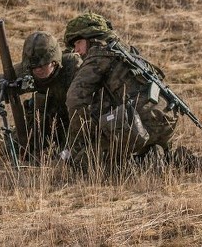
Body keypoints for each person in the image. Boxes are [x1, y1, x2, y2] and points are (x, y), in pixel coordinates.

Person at [62, 12, 185, 170]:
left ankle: (146, 161)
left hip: (140, 125)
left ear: (92, 37)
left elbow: (74, 99)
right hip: (166, 119)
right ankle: (162, 156)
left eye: (78, 42)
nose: (77, 50)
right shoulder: (127, 51)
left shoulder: (99, 54)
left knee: (83, 163)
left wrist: (79, 142)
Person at [0, 31, 82, 161]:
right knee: (11, 151)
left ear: (54, 62)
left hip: (73, 124)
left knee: (67, 158)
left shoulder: (73, 67)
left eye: (42, 66)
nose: (37, 70)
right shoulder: (28, 69)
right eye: (33, 67)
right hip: (41, 123)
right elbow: (4, 83)